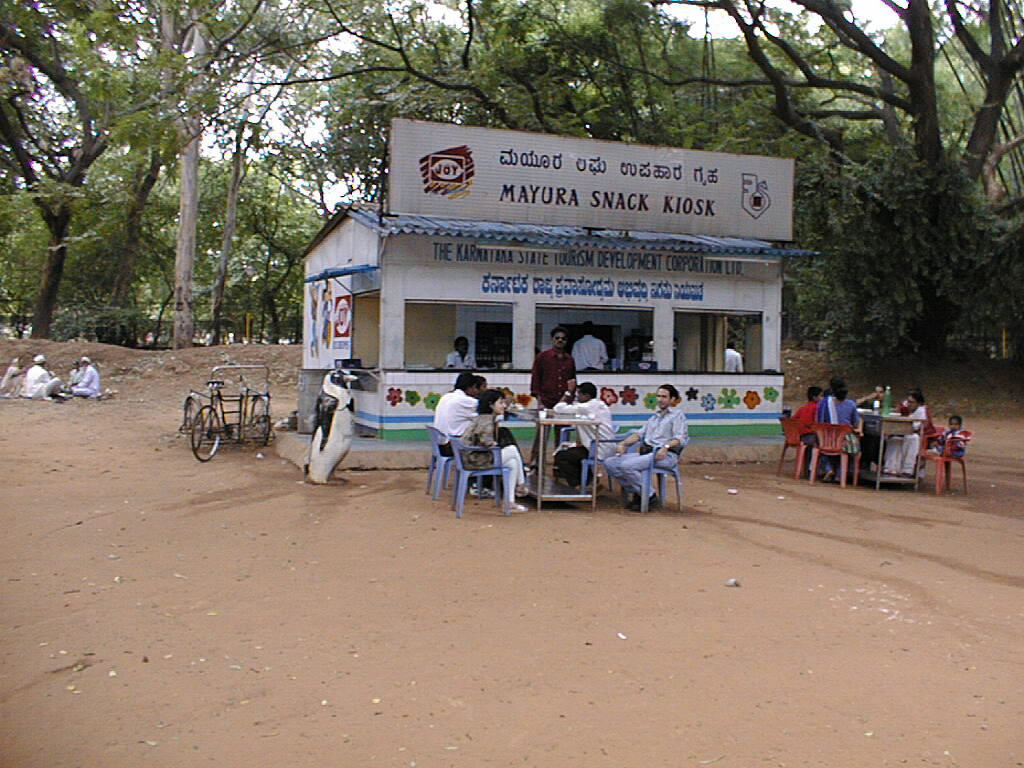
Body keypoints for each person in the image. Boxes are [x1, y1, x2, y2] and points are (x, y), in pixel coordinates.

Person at [603, 384, 689, 511]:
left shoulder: (677, 416)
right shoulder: (655, 417)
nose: (660, 399)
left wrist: (665, 447)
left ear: (672, 399)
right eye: (658, 396)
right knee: (610, 463)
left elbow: (680, 438)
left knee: (627, 466)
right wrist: (623, 444)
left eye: (664, 397)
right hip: (648, 454)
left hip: (665, 456)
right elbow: (639, 434)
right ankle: (640, 492)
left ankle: (650, 496)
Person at [461, 389, 529, 512]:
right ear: (491, 405)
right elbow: (486, 441)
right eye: (500, 403)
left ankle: (510, 501)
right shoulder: (487, 421)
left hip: (473, 457)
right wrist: (494, 443)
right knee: (512, 449)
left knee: (512, 463)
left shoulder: (483, 418)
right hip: (475, 460)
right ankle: (521, 484)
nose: (504, 406)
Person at [552, 382, 615, 488]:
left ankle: (580, 484)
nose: (577, 397)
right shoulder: (599, 405)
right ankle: (589, 481)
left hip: (597, 448)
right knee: (571, 453)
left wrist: (568, 392)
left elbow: (558, 408)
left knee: (561, 456)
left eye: (579, 394)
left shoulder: (587, 407)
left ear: (586, 396)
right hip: (602, 446)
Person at [529, 326, 577, 464]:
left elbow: (572, 381)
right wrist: (539, 401)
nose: (560, 341)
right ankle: (536, 462)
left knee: (562, 434)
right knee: (542, 434)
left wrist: (569, 399)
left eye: (563, 339)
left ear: (566, 341)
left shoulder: (569, 360)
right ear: (552, 339)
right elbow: (536, 379)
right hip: (546, 400)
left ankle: (560, 463)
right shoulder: (542, 357)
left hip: (563, 403)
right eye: (557, 338)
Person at [815, 380, 861, 482]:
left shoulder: (823, 403)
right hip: (843, 441)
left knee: (819, 444)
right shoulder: (851, 404)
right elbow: (856, 423)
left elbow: (818, 421)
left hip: (825, 440)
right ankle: (840, 474)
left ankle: (828, 468)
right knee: (849, 448)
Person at [883, 389, 935, 477]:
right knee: (894, 439)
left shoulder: (922, 411)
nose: (909, 404)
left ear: (919, 403)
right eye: (908, 402)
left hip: (920, 438)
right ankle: (891, 468)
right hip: (905, 433)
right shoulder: (909, 409)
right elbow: (900, 408)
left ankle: (907, 470)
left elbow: (916, 427)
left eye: (912, 402)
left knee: (912, 438)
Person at [432, 372, 485, 456]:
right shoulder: (466, 401)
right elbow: (487, 416)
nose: (477, 392)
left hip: (441, 444)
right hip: (453, 446)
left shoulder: (446, 397)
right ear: (472, 387)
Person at [793, 386, 823, 470]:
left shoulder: (803, 408)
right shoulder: (817, 408)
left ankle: (807, 469)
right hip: (811, 436)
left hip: (802, 436)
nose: (822, 398)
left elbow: (793, 419)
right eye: (821, 396)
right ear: (814, 397)